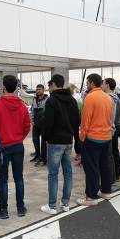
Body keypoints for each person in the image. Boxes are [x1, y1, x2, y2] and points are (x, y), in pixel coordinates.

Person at [0, 75, 31, 219]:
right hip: (18, 146)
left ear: (4, 87)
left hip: (3, 147)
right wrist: (19, 138)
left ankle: (3, 209)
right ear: (16, 87)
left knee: (3, 179)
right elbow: (27, 126)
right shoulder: (23, 106)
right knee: (19, 178)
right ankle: (20, 207)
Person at [40, 74, 80, 215]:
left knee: (53, 174)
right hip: (68, 141)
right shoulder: (72, 100)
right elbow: (76, 123)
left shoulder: (51, 101)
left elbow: (48, 123)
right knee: (68, 172)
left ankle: (52, 205)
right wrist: (75, 140)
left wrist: (45, 138)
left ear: (54, 85)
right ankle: (65, 203)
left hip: (55, 141)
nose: (49, 89)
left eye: (49, 86)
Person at [77, 74, 113, 206]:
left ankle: (91, 196)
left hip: (92, 138)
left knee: (91, 167)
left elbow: (85, 121)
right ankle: (106, 191)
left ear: (92, 83)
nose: (86, 85)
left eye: (87, 83)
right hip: (106, 137)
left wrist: (82, 138)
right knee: (105, 165)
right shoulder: (108, 98)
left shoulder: (90, 98)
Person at [103, 78, 120, 182]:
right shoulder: (114, 97)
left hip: (112, 128)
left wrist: (111, 129)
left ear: (107, 85)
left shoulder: (111, 97)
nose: (102, 85)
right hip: (114, 127)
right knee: (113, 152)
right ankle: (115, 175)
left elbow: (112, 115)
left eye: (103, 83)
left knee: (112, 153)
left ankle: (113, 176)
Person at [30, 84, 49, 166]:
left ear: (43, 90)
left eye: (39, 89)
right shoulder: (34, 99)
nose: (38, 91)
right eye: (37, 89)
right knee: (35, 140)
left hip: (44, 124)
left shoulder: (48, 99)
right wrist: (32, 121)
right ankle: (37, 155)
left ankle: (43, 158)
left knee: (43, 142)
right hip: (36, 124)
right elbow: (32, 110)